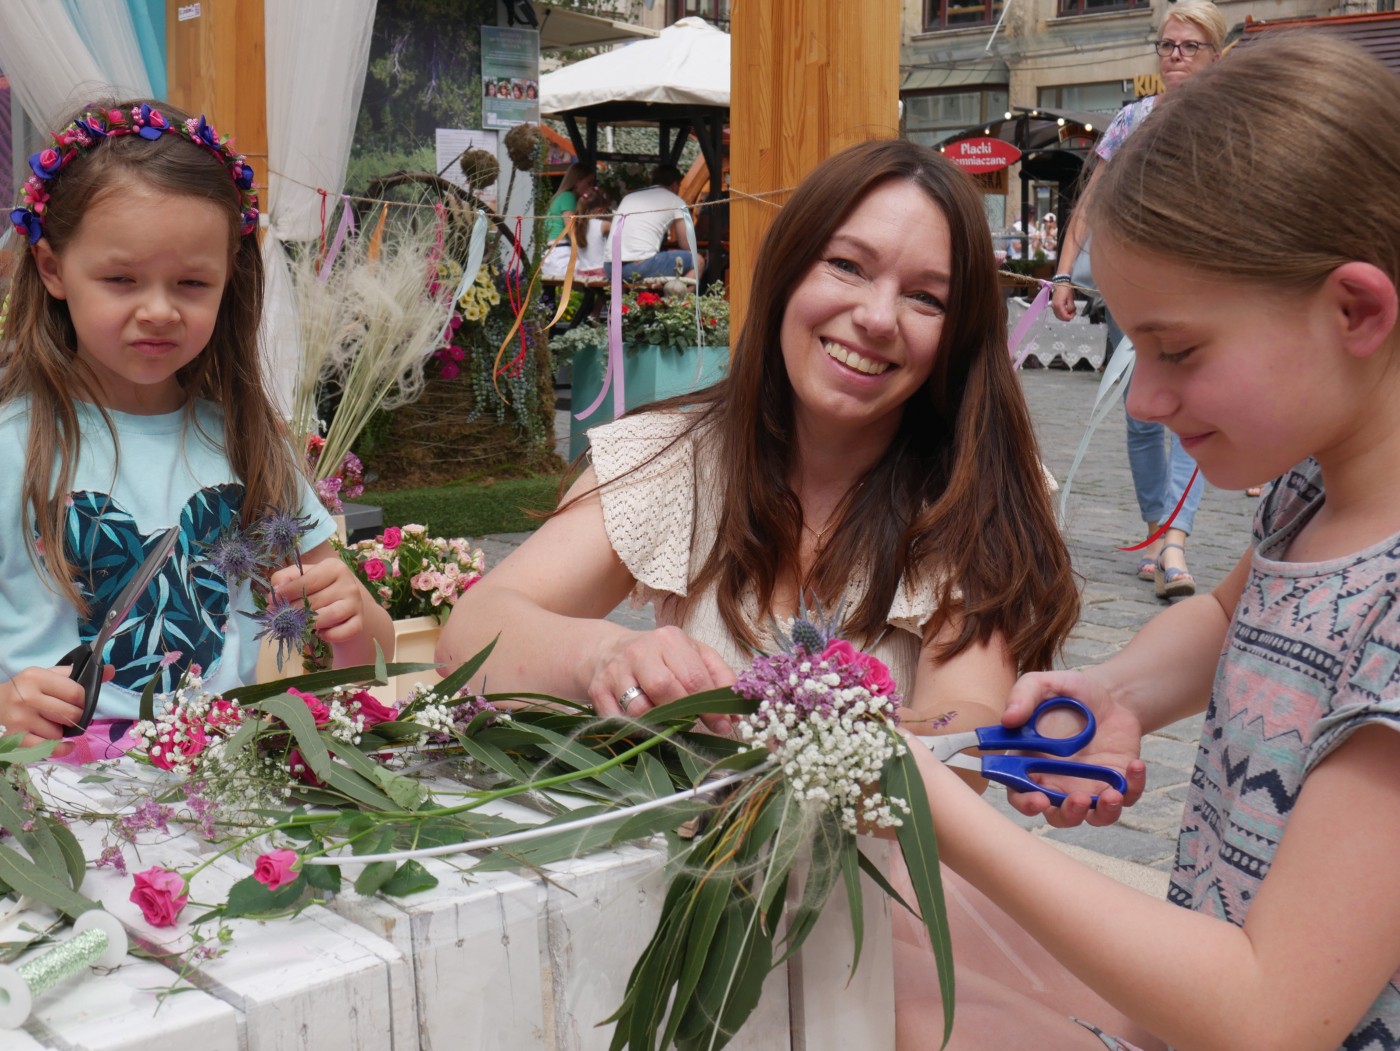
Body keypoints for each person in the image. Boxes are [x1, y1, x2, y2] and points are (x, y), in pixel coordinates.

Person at [906, 34, 1400, 1049]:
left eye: (1175, 348)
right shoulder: (1315, 485)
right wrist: (1116, 693)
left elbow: (1271, 1010)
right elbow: (1232, 615)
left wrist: (938, 815)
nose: (1142, 395)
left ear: (1353, 308)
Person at [0, 99, 395, 756]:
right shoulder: (14, 446)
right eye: (121, 278)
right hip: (53, 801)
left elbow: (370, 656)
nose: (158, 310)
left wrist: (352, 617)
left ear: (228, 280)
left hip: (218, 788)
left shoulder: (246, 442)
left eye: (190, 282)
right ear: (51, 268)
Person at [1051, 0, 1226, 599]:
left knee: (1194, 410)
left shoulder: (1232, 123)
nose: (1174, 56)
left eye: (1188, 47)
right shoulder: (1131, 120)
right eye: (1167, 45)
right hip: (1132, 289)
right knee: (1141, 413)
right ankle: (1156, 527)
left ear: (1214, 56)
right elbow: (1092, 202)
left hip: (1202, 291)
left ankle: (1176, 538)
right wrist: (1065, 273)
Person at [614, 163, 699, 280]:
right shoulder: (676, 201)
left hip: (611, 266)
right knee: (698, 261)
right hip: (639, 266)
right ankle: (677, 298)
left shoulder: (629, 197)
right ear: (674, 185)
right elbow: (686, 244)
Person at [540, 162, 595, 280]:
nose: (590, 188)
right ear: (576, 182)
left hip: (550, 254)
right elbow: (571, 231)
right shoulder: (568, 197)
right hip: (560, 254)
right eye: (588, 183)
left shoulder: (561, 196)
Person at [571, 184, 614, 278]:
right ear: (600, 210)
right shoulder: (604, 225)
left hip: (582, 273)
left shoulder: (577, 225)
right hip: (601, 272)